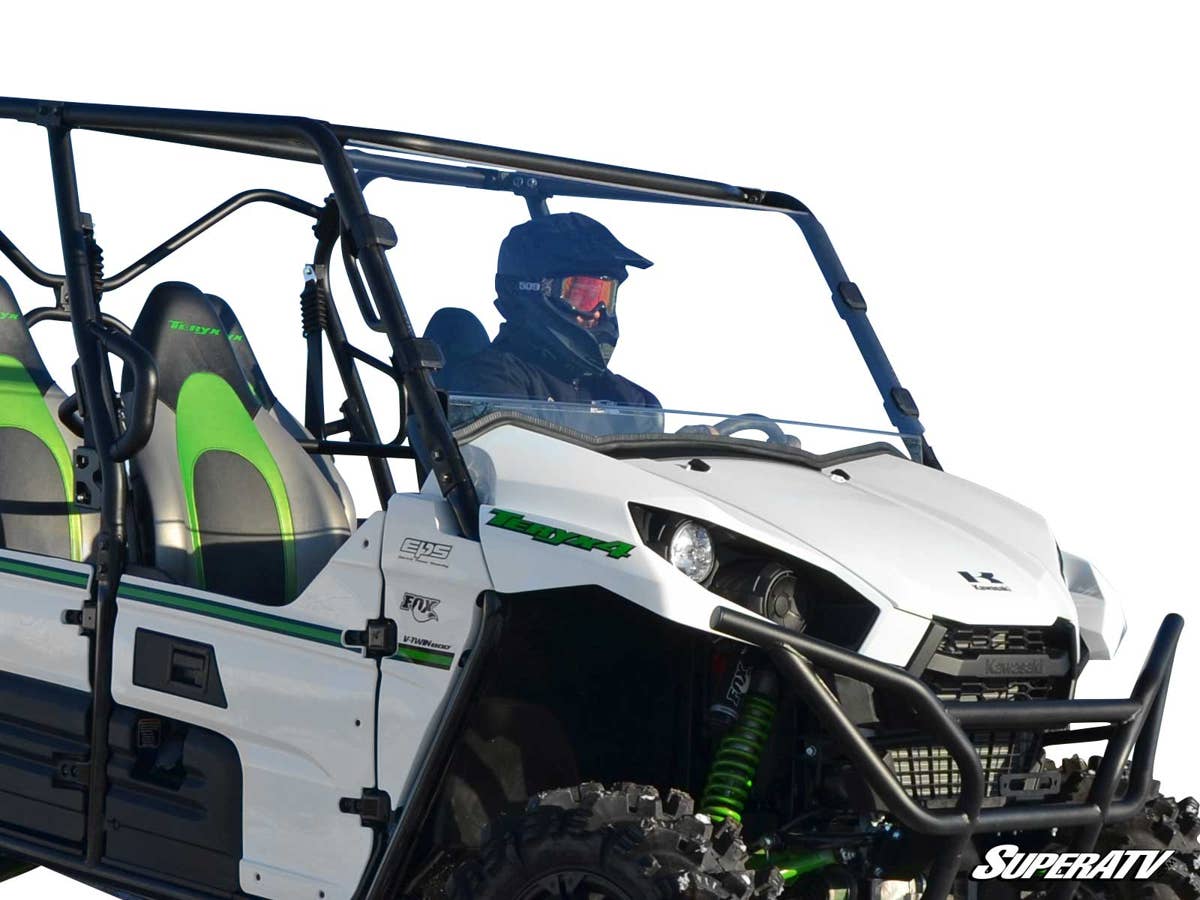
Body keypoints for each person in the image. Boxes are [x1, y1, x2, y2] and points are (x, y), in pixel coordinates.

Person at [442, 213, 661, 413]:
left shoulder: (618, 395)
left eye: (606, 296)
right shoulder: (491, 381)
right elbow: (521, 453)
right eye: (584, 295)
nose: (598, 313)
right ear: (531, 291)